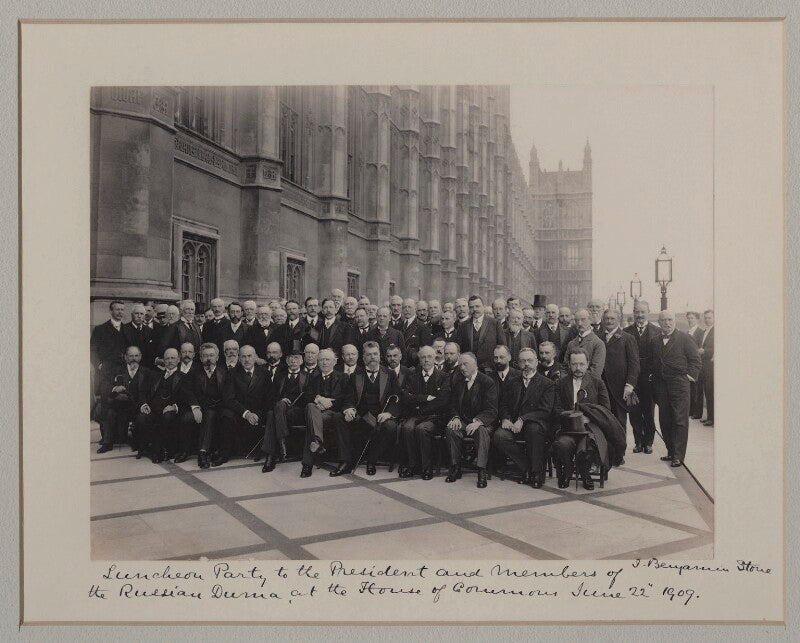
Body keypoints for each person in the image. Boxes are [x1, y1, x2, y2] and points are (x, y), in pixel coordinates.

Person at [491, 347, 556, 488]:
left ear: (537, 362)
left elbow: (545, 411)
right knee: (499, 436)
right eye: (522, 361)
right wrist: (505, 418)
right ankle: (526, 467)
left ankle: (536, 473)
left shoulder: (547, 384)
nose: (526, 364)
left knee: (533, 430)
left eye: (529, 360)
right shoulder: (512, 382)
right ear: (518, 363)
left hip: (535, 424)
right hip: (514, 425)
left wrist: (523, 419)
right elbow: (503, 404)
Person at [552, 349, 613, 490]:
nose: (578, 368)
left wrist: (589, 417)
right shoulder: (561, 383)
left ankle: (585, 474)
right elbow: (556, 408)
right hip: (568, 428)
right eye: (574, 364)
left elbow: (605, 409)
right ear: (569, 364)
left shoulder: (597, 382)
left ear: (588, 364)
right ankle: (568, 470)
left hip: (589, 428)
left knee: (587, 446)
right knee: (563, 444)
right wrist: (570, 417)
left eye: (581, 364)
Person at [338, 342, 401, 476]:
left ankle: (372, 460)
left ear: (380, 356)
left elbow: (397, 398)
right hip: (362, 415)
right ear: (363, 357)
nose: (372, 357)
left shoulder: (390, 374)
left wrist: (389, 413)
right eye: (369, 354)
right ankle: (346, 461)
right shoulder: (355, 375)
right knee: (341, 419)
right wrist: (349, 409)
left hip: (381, 415)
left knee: (390, 426)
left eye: (375, 354)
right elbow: (349, 397)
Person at [651, 310, 701, 467]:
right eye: (663, 320)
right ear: (659, 322)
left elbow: (695, 361)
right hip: (661, 386)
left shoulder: (685, 338)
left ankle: (678, 456)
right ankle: (671, 451)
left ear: (674, 321)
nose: (667, 323)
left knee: (679, 420)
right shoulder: (654, 340)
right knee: (664, 420)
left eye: (669, 320)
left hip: (680, 386)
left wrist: (688, 378)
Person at [444, 352, 498, 489]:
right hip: (463, 421)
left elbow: (492, 409)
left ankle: (481, 470)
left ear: (475, 364)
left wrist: (478, 421)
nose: (462, 368)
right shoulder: (458, 381)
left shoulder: (487, 382)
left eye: (465, 364)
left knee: (481, 431)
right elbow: (452, 405)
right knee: (451, 429)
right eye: (460, 365)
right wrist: (455, 417)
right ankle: (455, 467)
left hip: (482, 422)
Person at [134, 348, 197, 463]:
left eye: (173, 358)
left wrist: (175, 407)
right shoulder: (155, 376)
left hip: (171, 412)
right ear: (163, 360)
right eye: (167, 358)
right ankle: (149, 448)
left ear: (178, 360)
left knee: (167, 417)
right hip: (153, 410)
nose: (170, 361)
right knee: (141, 418)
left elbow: (189, 398)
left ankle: (164, 450)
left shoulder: (184, 377)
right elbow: (142, 392)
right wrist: (144, 404)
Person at [399, 345, 451, 480]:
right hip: (415, 415)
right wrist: (425, 398)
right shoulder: (412, 376)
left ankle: (426, 468)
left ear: (435, 358)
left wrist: (419, 405)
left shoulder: (444, 377)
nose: (426, 360)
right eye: (423, 357)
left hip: (435, 417)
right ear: (419, 359)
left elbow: (442, 401)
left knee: (422, 429)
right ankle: (412, 466)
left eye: (429, 357)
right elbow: (406, 397)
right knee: (407, 427)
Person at [299, 349, 350, 478]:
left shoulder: (343, 377)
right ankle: (317, 440)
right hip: (317, 413)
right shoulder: (313, 378)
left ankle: (307, 464)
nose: (324, 362)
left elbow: (346, 398)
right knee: (310, 406)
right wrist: (318, 399)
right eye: (321, 360)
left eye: (327, 359)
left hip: (334, 413)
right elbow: (306, 396)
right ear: (317, 362)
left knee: (312, 421)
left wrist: (329, 402)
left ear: (334, 362)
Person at [183, 342, 234, 469]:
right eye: (205, 356)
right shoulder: (194, 372)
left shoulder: (225, 372)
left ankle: (204, 452)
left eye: (211, 355)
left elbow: (228, 395)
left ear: (217, 357)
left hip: (220, 407)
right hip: (202, 408)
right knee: (205, 415)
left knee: (215, 415)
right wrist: (195, 407)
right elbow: (187, 391)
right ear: (200, 358)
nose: (208, 358)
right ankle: (202, 453)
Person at [260, 349, 309, 473]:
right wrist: (282, 399)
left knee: (272, 414)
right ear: (286, 361)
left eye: (296, 358)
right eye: (290, 358)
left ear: (301, 361)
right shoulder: (279, 376)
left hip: (298, 411)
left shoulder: (307, 376)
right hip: (280, 411)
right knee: (275, 410)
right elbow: (271, 395)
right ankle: (275, 450)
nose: (293, 361)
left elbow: (309, 397)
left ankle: (274, 452)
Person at [624, 300, 662, 454]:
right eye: (637, 312)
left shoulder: (657, 331)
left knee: (649, 412)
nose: (639, 315)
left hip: (650, 379)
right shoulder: (626, 331)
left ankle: (649, 442)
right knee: (634, 413)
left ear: (648, 312)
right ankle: (638, 442)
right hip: (632, 380)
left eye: (642, 312)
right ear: (633, 312)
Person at [98, 345, 151, 453]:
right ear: (125, 357)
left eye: (136, 356)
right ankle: (107, 443)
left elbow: (149, 392)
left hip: (137, 406)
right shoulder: (116, 370)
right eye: (131, 356)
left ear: (140, 357)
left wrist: (144, 404)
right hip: (120, 406)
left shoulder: (147, 372)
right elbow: (104, 386)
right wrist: (115, 388)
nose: (134, 359)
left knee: (143, 417)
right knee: (109, 411)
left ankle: (138, 441)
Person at [222, 345, 268, 465]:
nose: (247, 360)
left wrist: (257, 414)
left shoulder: (264, 373)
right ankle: (224, 454)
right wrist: (246, 413)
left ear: (255, 357)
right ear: (239, 358)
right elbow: (229, 399)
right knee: (226, 414)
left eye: (249, 356)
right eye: (243, 356)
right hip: (240, 412)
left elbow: (268, 399)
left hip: (258, 413)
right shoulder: (232, 373)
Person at [599, 309, 640, 441]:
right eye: (607, 318)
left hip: (619, 388)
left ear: (619, 319)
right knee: (603, 420)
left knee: (619, 422)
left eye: (612, 318)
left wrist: (629, 385)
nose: (609, 321)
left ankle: (619, 450)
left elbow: (634, 364)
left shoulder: (627, 338)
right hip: (602, 387)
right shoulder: (598, 337)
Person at [458, 295, 506, 372]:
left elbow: (502, 347)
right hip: (469, 369)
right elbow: (460, 349)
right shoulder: (463, 325)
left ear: (483, 307)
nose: (474, 309)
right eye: (471, 307)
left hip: (490, 369)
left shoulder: (495, 323)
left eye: (477, 306)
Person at [90, 300, 127, 388]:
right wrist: (98, 364)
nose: (120, 312)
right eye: (117, 309)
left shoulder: (128, 329)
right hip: (106, 371)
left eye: (122, 310)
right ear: (111, 311)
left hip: (124, 370)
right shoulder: (100, 329)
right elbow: (92, 350)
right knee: (106, 394)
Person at [565, 308, 606, 376]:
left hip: (589, 382)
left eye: (583, 320)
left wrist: (577, 380)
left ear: (590, 320)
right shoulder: (571, 343)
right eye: (577, 320)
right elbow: (565, 366)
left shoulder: (598, 343)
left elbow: (596, 371)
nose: (579, 323)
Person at [398, 298, 433, 366]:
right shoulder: (398, 326)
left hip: (414, 364)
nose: (407, 309)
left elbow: (425, 349)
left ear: (415, 309)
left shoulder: (422, 327)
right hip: (400, 364)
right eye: (405, 307)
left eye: (409, 307)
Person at [686, 311, 705, 419]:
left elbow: (701, 347)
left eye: (692, 318)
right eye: (688, 318)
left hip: (697, 364)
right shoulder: (687, 332)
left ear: (697, 319)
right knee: (691, 388)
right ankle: (691, 411)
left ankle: (698, 413)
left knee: (698, 389)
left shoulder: (701, 332)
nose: (690, 320)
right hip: (688, 365)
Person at [698, 309, 714, 426]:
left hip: (711, 366)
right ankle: (709, 416)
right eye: (706, 318)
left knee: (710, 391)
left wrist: (704, 351)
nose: (707, 320)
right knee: (706, 391)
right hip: (703, 365)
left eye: (709, 318)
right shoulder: (704, 331)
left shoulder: (716, 331)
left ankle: (712, 418)